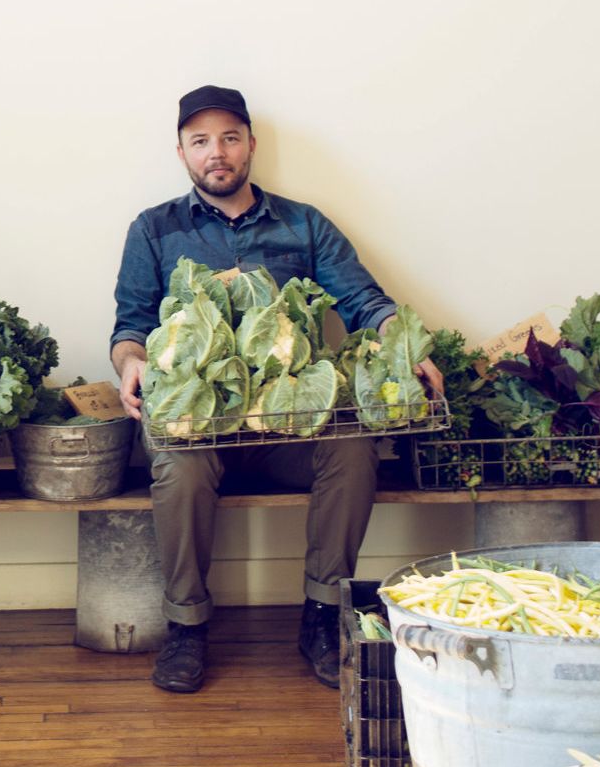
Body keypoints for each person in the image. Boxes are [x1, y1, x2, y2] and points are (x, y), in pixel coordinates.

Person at [110, 84, 443, 694]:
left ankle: (322, 615)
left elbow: (364, 300)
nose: (218, 153)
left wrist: (404, 346)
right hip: (200, 428)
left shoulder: (305, 224)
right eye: (201, 141)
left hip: (290, 425)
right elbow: (131, 326)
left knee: (352, 446)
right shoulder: (153, 230)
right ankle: (186, 626)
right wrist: (129, 362)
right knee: (177, 469)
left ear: (251, 146)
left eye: (230, 139)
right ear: (181, 152)